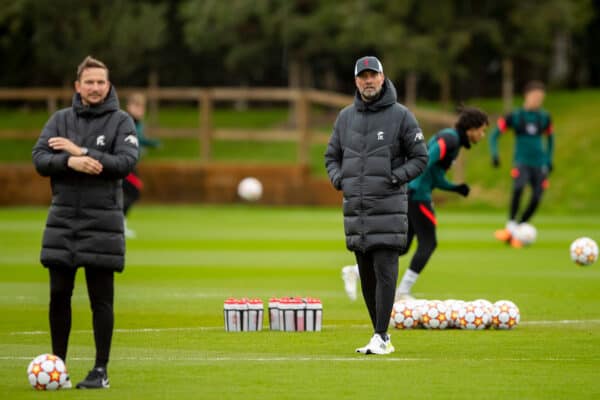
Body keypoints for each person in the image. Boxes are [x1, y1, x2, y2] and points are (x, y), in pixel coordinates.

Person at [32, 56, 139, 389]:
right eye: (89, 82)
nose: (95, 88)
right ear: (77, 86)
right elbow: (39, 159)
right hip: (63, 220)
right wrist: (69, 162)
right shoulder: (59, 119)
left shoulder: (122, 122)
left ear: (108, 85)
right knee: (59, 295)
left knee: (101, 299)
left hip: (103, 222)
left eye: (101, 82)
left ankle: (100, 370)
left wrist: (83, 153)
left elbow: (125, 162)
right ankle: (58, 367)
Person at [325, 56, 428, 355]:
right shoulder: (345, 117)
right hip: (356, 213)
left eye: (373, 75)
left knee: (385, 274)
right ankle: (378, 335)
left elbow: (420, 157)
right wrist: (338, 179)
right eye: (363, 76)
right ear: (356, 81)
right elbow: (331, 156)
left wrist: (395, 178)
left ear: (383, 78)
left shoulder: (401, 116)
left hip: (389, 209)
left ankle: (382, 336)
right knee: (367, 278)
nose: (368, 80)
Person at [342, 107, 489, 301]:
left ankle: (355, 271)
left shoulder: (454, 141)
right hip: (417, 195)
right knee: (429, 243)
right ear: (472, 128)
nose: (483, 135)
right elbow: (427, 158)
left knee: (401, 247)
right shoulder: (451, 139)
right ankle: (402, 292)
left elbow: (434, 175)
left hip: (415, 192)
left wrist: (455, 188)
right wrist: (414, 184)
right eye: (482, 130)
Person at [489, 81, 554, 247]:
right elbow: (494, 135)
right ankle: (510, 226)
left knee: (537, 197)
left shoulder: (544, 117)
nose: (538, 100)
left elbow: (551, 139)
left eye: (541, 98)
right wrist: (495, 154)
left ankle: (516, 230)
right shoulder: (515, 116)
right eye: (535, 97)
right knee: (518, 188)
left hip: (539, 164)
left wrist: (549, 159)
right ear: (527, 96)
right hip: (522, 161)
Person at [122, 92, 160, 238]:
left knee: (130, 193)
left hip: (132, 163)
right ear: (129, 107)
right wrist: (151, 143)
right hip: (124, 164)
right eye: (136, 106)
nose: (139, 110)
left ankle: (120, 224)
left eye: (141, 107)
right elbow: (134, 138)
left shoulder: (139, 122)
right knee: (133, 192)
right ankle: (119, 224)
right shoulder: (126, 121)